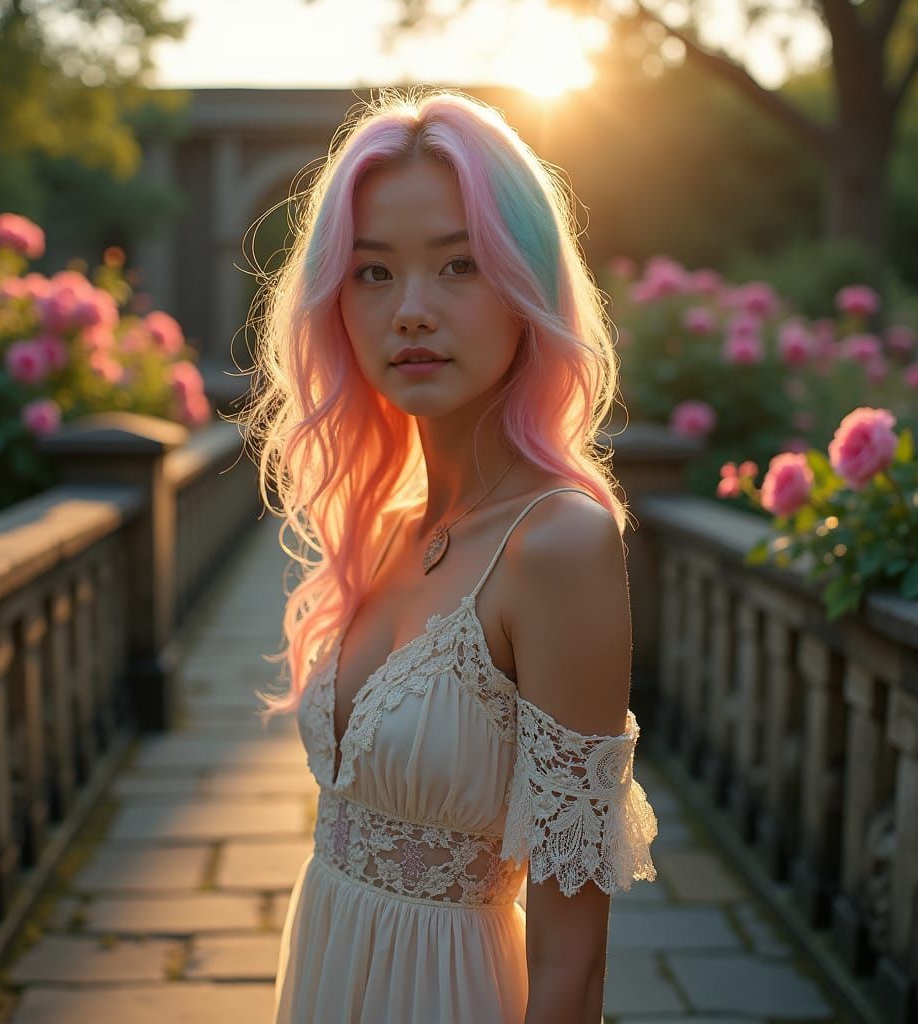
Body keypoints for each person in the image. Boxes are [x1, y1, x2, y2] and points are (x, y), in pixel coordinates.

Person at [239, 87, 659, 1024]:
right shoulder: (385, 529)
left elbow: (570, 961)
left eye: (459, 265)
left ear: (525, 286)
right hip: (326, 974)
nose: (411, 311)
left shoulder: (558, 544)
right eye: (373, 272)